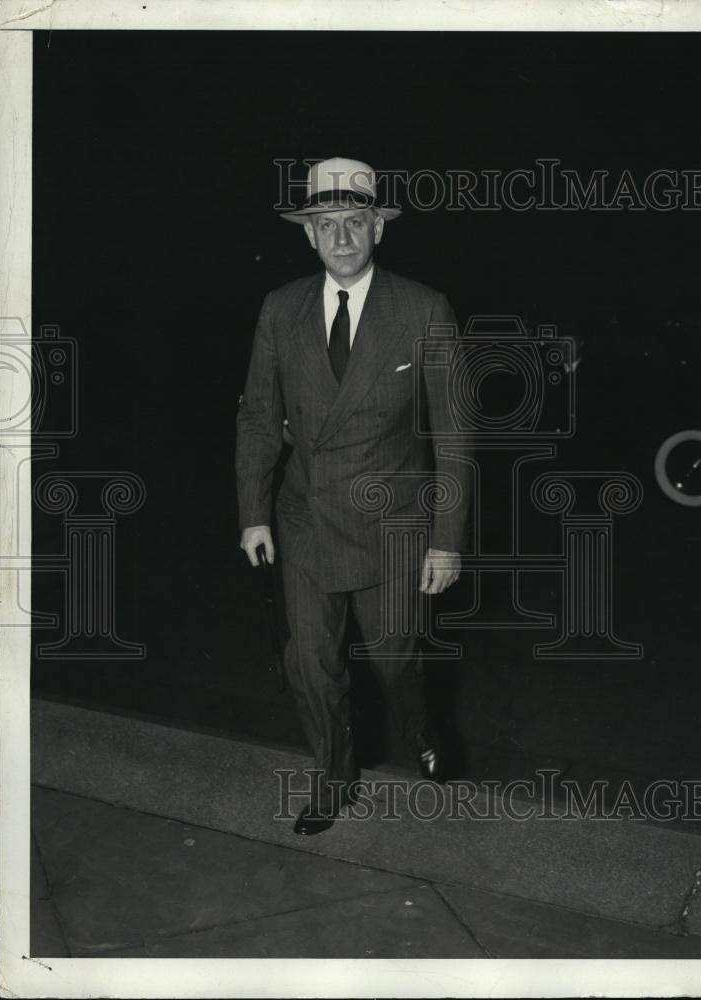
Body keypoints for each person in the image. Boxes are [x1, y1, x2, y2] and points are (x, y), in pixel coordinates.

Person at [236, 157, 471, 835]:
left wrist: (446, 540)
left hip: (392, 524)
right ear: (309, 236)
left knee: (396, 660)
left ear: (378, 230)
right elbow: (258, 415)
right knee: (309, 662)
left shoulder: (423, 309)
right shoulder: (280, 310)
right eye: (326, 224)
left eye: (355, 223)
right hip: (306, 519)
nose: (341, 237)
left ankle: (422, 729)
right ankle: (334, 779)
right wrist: (253, 511)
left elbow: (454, 436)